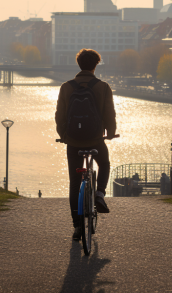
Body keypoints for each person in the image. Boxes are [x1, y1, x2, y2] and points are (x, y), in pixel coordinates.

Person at [55, 48, 117, 241]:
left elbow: (59, 115)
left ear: (78, 64)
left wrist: (63, 135)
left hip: (73, 142)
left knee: (75, 183)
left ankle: (76, 226)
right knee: (104, 163)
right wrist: (110, 133)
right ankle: (99, 194)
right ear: (95, 65)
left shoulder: (66, 87)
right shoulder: (103, 87)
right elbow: (109, 114)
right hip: (96, 140)